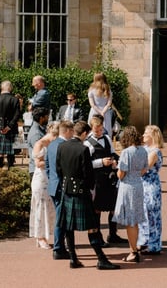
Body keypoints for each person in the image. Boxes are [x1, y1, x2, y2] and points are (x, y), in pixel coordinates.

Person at [56, 120, 120, 270]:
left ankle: (73, 259)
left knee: (68, 227)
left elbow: (58, 169)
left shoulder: (61, 146)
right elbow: (88, 174)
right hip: (81, 192)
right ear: (84, 133)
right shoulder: (83, 149)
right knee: (92, 227)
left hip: (67, 191)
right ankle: (101, 259)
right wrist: (90, 189)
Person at [85, 115, 126, 245]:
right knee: (97, 208)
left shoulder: (107, 138)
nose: (100, 132)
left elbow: (113, 153)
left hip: (110, 177)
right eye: (97, 130)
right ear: (92, 129)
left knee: (113, 207)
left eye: (101, 129)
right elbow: (87, 163)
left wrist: (115, 161)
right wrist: (101, 162)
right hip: (97, 179)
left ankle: (113, 234)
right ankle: (98, 237)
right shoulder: (87, 143)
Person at [112, 126, 148, 263]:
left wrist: (116, 168)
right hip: (138, 184)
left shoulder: (126, 152)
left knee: (130, 221)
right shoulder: (143, 150)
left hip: (127, 186)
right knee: (135, 220)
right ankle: (133, 249)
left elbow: (121, 174)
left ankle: (133, 251)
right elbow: (144, 169)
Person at [47, 119, 74, 260]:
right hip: (62, 186)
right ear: (68, 131)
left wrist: (53, 180)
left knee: (61, 216)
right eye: (72, 131)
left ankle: (60, 246)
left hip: (53, 185)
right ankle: (58, 248)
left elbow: (47, 166)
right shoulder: (65, 146)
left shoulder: (51, 145)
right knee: (61, 218)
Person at [30, 122, 59, 249]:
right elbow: (37, 163)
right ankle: (40, 237)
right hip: (41, 178)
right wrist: (52, 162)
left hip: (50, 177)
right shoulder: (40, 143)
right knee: (40, 206)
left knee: (49, 206)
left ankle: (46, 235)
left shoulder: (54, 143)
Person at [138, 124, 165, 255]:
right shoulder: (144, 148)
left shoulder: (154, 152)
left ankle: (154, 244)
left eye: (145, 134)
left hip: (150, 185)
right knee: (143, 212)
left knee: (152, 213)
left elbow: (144, 169)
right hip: (142, 185)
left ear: (152, 136)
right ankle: (143, 241)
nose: (143, 136)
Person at [87, 72, 115, 137]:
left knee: (93, 128)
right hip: (106, 112)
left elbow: (92, 104)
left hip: (95, 111)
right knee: (106, 129)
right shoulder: (108, 89)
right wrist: (103, 112)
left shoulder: (91, 89)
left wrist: (99, 111)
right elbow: (109, 103)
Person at [28, 107, 50, 178]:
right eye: (47, 116)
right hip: (37, 171)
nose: (48, 118)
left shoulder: (39, 130)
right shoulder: (36, 134)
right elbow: (39, 155)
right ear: (41, 118)